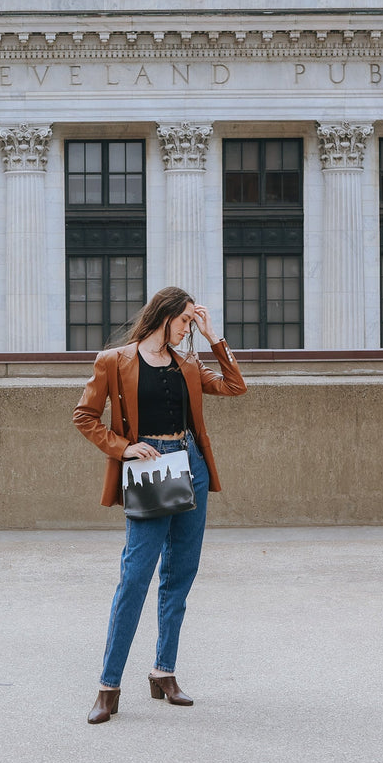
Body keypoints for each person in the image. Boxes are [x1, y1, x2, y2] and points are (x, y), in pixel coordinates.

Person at [73, 286, 246, 724]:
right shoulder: (115, 361)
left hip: (190, 466)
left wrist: (212, 338)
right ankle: (108, 687)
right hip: (148, 470)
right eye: (186, 319)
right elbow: (85, 416)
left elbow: (234, 386)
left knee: (180, 574)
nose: (189, 326)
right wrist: (123, 447)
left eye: (192, 320)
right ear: (164, 315)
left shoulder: (188, 364)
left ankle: (163, 672)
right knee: (134, 577)